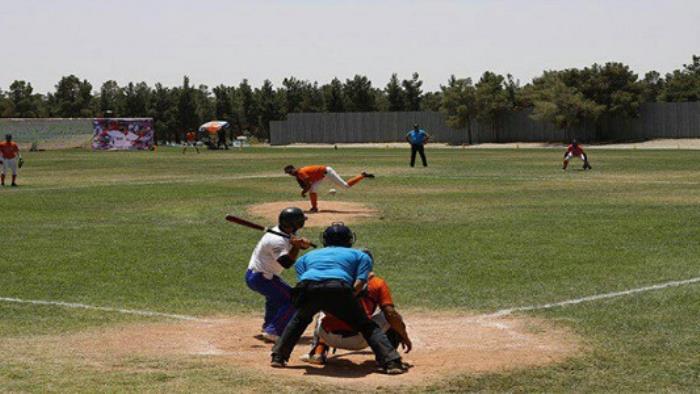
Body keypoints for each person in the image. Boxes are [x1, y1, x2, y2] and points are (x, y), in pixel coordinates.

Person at [271, 223, 408, 375]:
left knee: (299, 320)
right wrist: (346, 299)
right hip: (338, 288)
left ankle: (278, 356)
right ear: (349, 239)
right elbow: (360, 283)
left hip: (307, 287)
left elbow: (304, 278)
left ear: (325, 239)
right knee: (366, 326)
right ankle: (391, 362)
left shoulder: (307, 256)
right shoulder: (360, 256)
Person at [300, 253, 412, 365]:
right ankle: (386, 357)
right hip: (361, 339)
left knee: (322, 313)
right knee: (389, 315)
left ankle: (318, 353)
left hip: (329, 337)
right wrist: (404, 336)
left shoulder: (335, 280)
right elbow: (391, 314)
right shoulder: (377, 283)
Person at [246, 207, 312, 342]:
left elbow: (292, 241)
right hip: (261, 278)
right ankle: (274, 331)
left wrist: (301, 244)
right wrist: (297, 247)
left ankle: (269, 327)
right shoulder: (276, 240)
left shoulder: (284, 232)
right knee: (295, 299)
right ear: (296, 224)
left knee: (276, 298)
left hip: (261, 276)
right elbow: (286, 263)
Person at [284, 165, 374, 213]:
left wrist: (303, 192)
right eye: (289, 173)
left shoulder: (301, 173)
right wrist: (305, 189)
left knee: (345, 186)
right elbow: (309, 184)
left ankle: (362, 175)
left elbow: (307, 185)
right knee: (313, 190)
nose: (290, 174)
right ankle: (314, 208)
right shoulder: (298, 174)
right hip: (321, 175)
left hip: (327, 172)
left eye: (290, 172)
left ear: (293, 169)